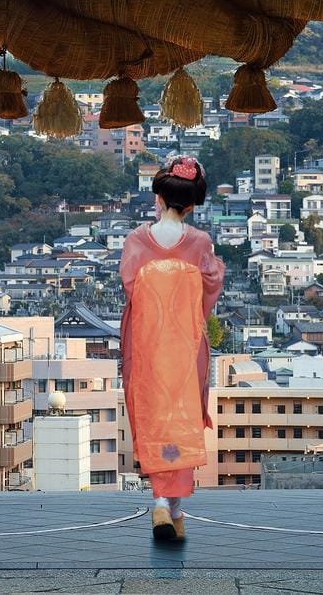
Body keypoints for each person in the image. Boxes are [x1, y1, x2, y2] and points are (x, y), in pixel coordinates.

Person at [119, 154, 224, 543]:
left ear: (157, 197)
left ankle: (165, 504)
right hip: (186, 342)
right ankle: (171, 506)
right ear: (192, 204)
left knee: (152, 415)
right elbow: (210, 285)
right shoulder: (199, 242)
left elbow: (132, 286)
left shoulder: (135, 241)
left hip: (146, 343)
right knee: (183, 415)